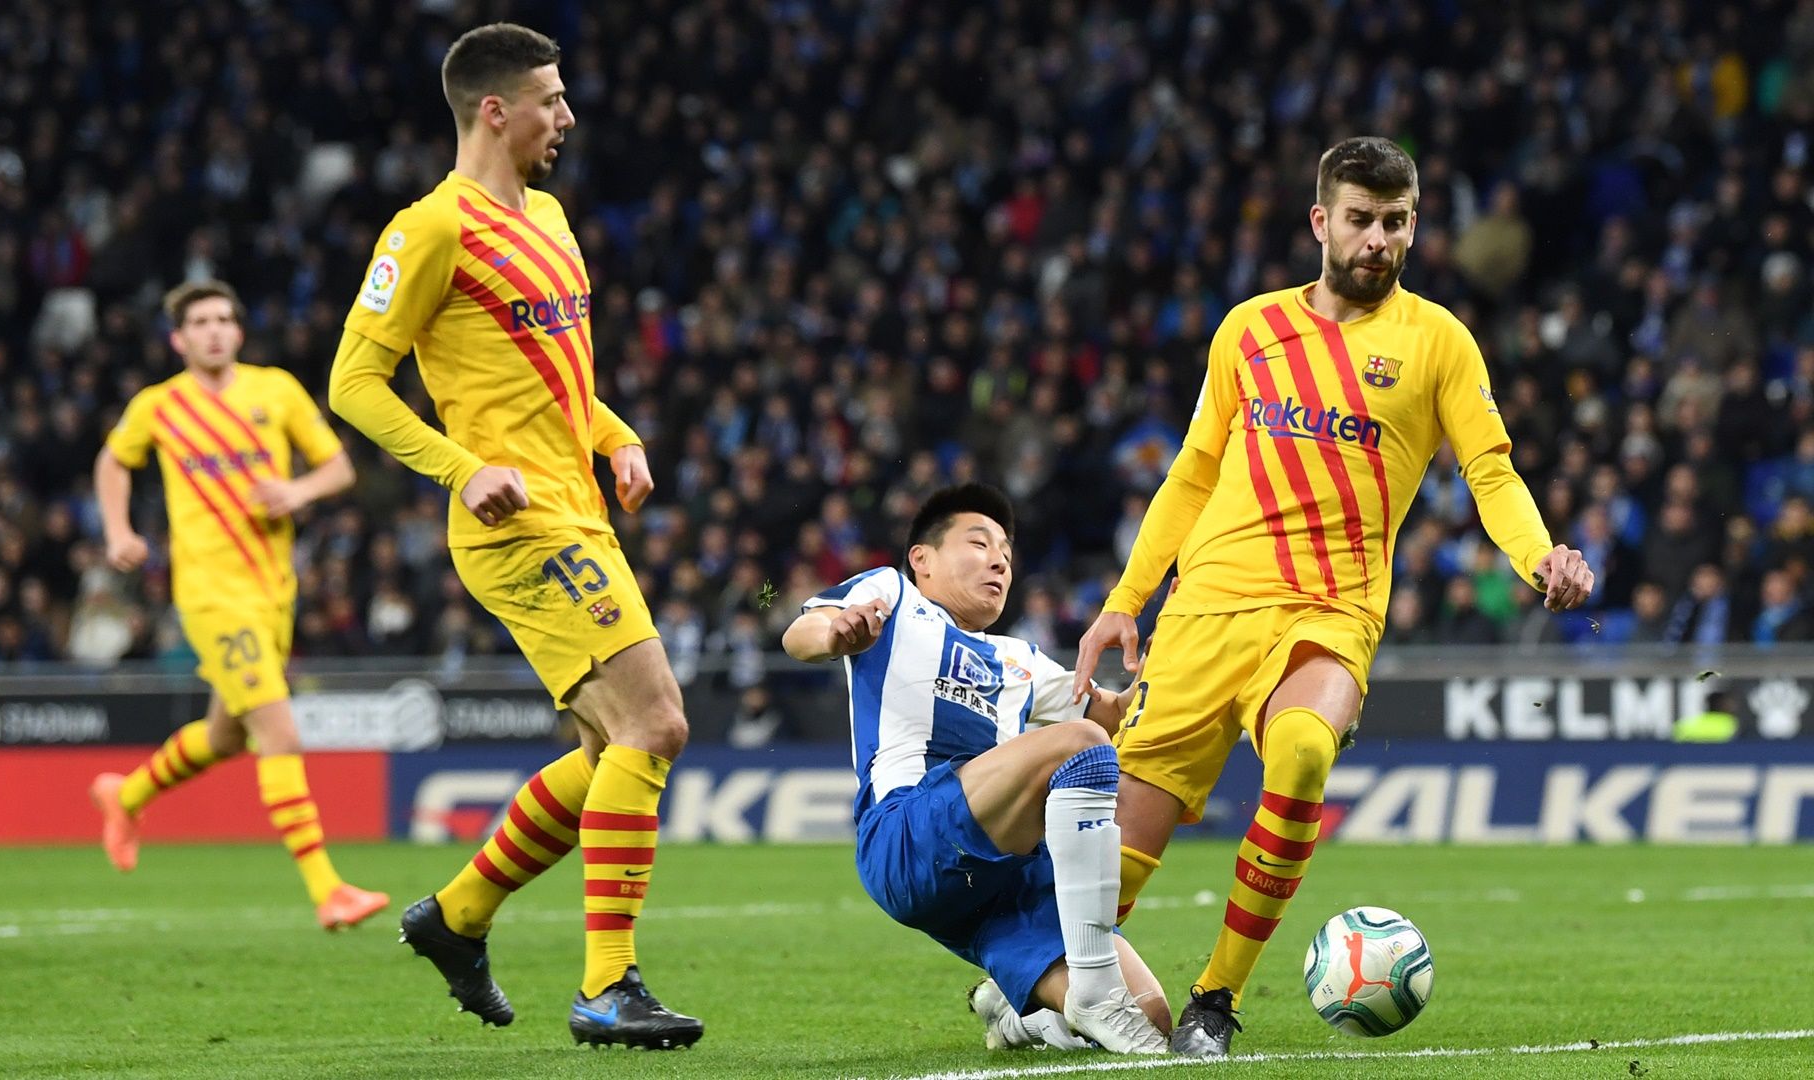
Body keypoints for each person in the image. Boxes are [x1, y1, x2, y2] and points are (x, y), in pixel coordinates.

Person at [1071, 137, 1595, 1057]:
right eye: (1360, 220)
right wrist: (1126, 597)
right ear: (1321, 221)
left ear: (1415, 227)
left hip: (1329, 611)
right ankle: (1032, 985)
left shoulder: (1438, 341)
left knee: (1305, 750)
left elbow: (1490, 470)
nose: (1378, 240)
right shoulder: (1249, 330)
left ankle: (1214, 1001)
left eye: (1396, 222)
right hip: (1205, 610)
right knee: (1113, 877)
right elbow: (1192, 474)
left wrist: (1539, 553)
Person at [326, 23, 700, 1048]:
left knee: (607, 750)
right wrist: (463, 466)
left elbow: (559, 380)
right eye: (552, 99)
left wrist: (616, 437)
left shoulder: (551, 218)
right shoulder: (427, 229)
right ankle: (608, 986)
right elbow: (352, 383)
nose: (567, 116)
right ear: (495, 111)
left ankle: (456, 917)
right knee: (656, 724)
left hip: (578, 511)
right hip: (516, 527)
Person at [783, 483, 1170, 1054]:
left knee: (1153, 1020)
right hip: (909, 835)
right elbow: (800, 633)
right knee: (1082, 745)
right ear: (922, 559)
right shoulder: (893, 594)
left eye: (1007, 554)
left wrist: (1176, 643)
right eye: (980, 543)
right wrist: (835, 633)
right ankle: (1092, 988)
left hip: (995, 882)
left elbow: (1115, 713)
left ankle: (1018, 1019)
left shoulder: (1021, 658)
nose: (999, 562)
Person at [88, 280, 385, 931]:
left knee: (226, 736)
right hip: (211, 596)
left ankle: (125, 794)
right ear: (179, 339)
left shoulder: (275, 390)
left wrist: (297, 491)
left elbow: (339, 467)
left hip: (274, 592)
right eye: (200, 322)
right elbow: (113, 462)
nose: (215, 330)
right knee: (279, 733)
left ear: (240, 331)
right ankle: (328, 890)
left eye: (224, 318)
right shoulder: (159, 405)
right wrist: (118, 531)